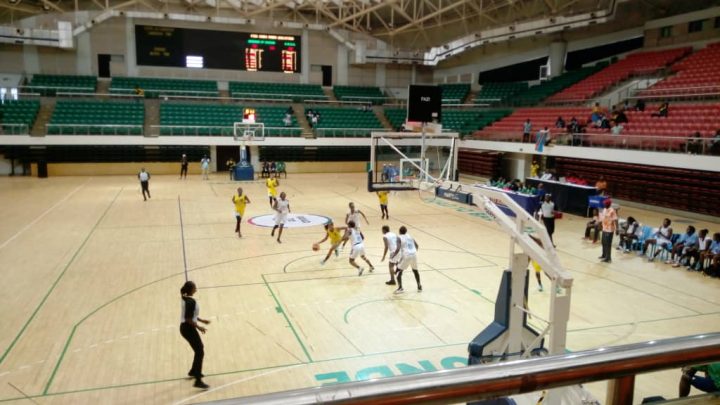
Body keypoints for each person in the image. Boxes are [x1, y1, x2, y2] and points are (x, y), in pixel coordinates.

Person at [179, 281, 210, 389]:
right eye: (194, 288)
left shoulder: (185, 298)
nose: (196, 289)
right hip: (188, 329)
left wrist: (201, 320)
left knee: (198, 350)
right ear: (190, 289)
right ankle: (198, 380)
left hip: (186, 328)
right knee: (200, 351)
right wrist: (199, 327)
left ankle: (193, 371)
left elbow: (191, 316)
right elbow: (188, 319)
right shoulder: (190, 302)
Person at [392, 226, 421, 294]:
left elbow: (398, 248)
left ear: (399, 231)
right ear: (406, 231)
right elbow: (417, 246)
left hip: (407, 255)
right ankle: (419, 286)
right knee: (415, 271)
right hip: (414, 255)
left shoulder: (399, 237)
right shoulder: (410, 236)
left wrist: (393, 255)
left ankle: (400, 288)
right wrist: (413, 251)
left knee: (398, 271)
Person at [598, 199, 618, 263]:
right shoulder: (604, 209)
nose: (604, 204)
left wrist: (617, 229)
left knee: (608, 244)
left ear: (608, 204)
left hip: (609, 230)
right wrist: (600, 225)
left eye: (605, 204)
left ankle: (608, 258)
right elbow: (602, 218)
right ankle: (604, 255)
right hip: (604, 228)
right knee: (603, 242)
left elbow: (615, 220)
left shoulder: (612, 211)